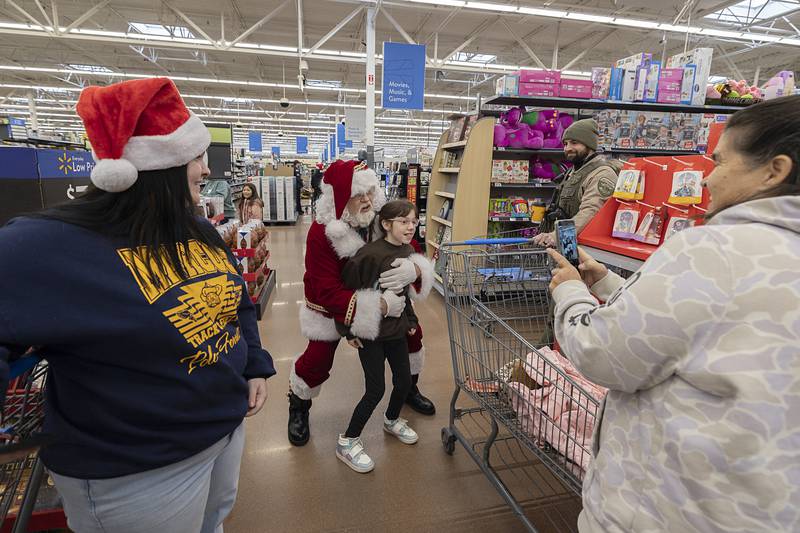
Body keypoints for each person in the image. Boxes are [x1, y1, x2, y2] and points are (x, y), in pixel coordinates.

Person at [0, 78, 275, 533]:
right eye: (197, 157)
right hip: (136, 472)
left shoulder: (196, 229)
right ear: (160, 167)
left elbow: (236, 303)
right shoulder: (45, 245)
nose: (206, 171)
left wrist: (255, 363)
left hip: (223, 433)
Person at [547, 95, 800, 532]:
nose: (707, 181)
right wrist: (608, 283)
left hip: (672, 507)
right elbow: (707, 324)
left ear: (773, 171)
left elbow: (603, 353)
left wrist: (570, 293)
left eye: (720, 163)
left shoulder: (713, 250)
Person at [288, 159, 435, 447]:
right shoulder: (321, 233)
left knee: (413, 338)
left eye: (370, 191)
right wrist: (377, 307)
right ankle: (299, 403)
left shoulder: (383, 217)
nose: (367, 200)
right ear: (341, 199)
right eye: (359, 195)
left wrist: (415, 269)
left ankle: (408, 389)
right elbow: (326, 288)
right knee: (318, 357)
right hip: (330, 305)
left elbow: (411, 247)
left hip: (387, 295)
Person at [335, 200, 424, 473]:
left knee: (403, 381)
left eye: (414, 221)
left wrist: (410, 320)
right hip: (370, 333)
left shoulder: (408, 251)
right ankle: (347, 441)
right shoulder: (368, 255)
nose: (411, 227)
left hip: (396, 330)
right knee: (376, 389)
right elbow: (346, 294)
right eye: (404, 222)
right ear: (386, 224)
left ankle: (392, 418)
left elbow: (403, 293)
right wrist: (347, 330)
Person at [534, 119, 621, 247]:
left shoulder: (602, 174)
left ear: (589, 145)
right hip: (568, 245)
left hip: (585, 252)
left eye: (574, 143)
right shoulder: (574, 171)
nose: (568, 148)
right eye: (565, 143)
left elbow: (591, 211)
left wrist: (555, 235)